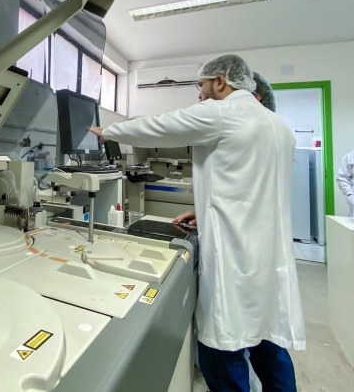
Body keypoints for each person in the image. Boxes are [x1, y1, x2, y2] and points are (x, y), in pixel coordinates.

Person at [89, 54, 305, 392]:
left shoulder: (223, 112)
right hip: (270, 254)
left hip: (235, 257)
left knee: (220, 349)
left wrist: (108, 131)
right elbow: (252, 187)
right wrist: (205, 211)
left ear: (220, 81)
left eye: (201, 86)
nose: (199, 95)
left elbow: (161, 125)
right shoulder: (279, 126)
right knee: (268, 341)